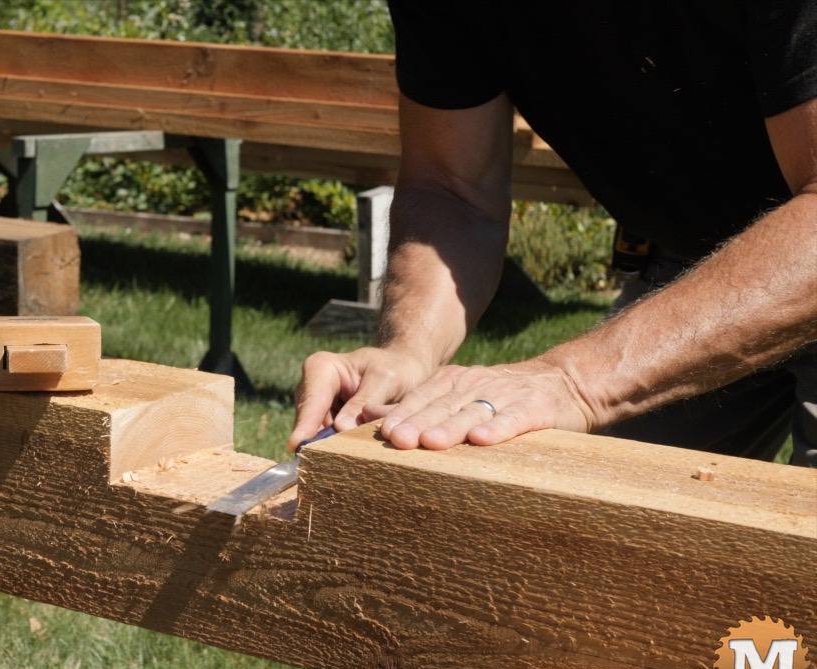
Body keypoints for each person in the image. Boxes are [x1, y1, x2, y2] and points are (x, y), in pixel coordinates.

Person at [289, 1, 817, 467]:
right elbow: (452, 187)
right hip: (690, 272)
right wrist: (409, 352)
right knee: (584, 542)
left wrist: (573, 380)